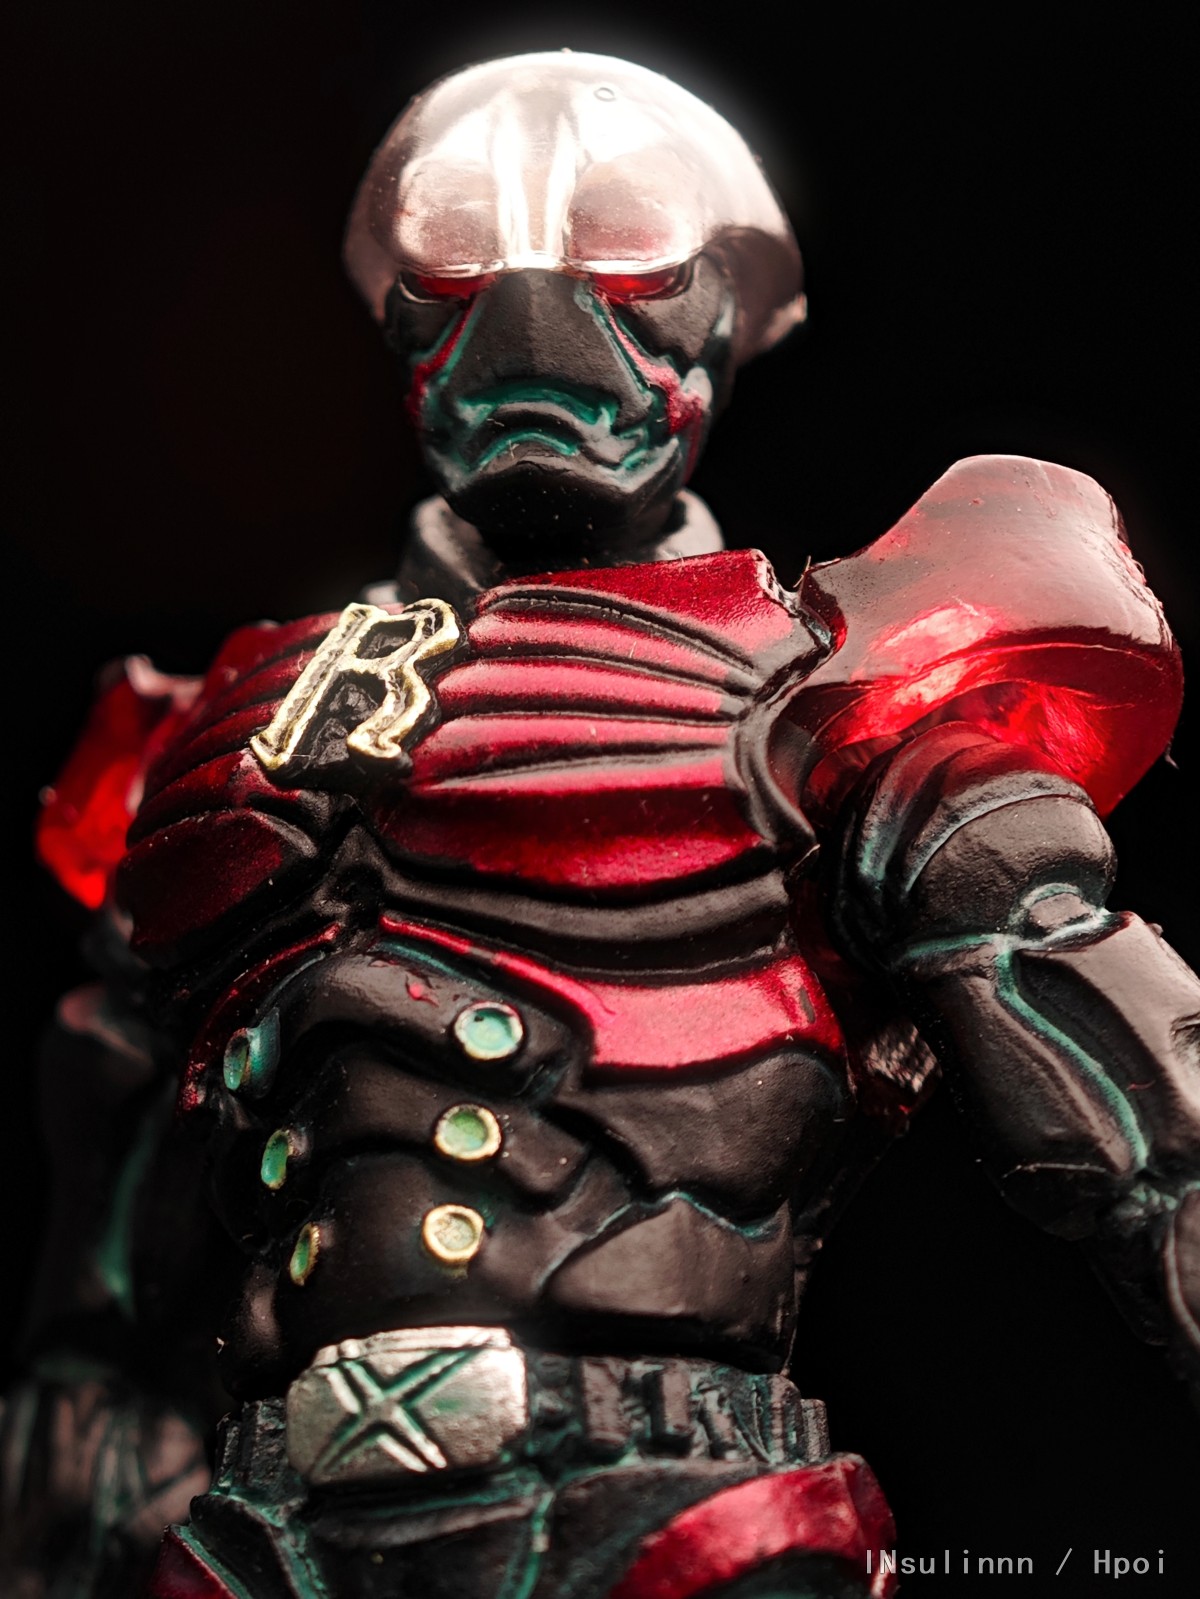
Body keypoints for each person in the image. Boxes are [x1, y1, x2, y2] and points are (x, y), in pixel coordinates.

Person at [5, 51, 1197, 1599]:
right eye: (460, 260)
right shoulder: (226, 733)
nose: (535, 323)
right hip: (265, 1534)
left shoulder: (830, 692)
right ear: (398, 316)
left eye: (624, 255)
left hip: (666, 1511)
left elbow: (1149, 1125)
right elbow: (106, 1276)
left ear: (720, 314)